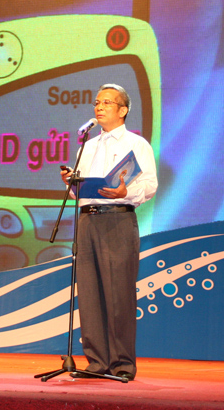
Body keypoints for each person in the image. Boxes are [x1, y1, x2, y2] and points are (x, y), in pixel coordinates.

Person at [60, 83, 158, 381]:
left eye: (107, 102)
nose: (99, 107)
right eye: (97, 102)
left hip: (117, 220)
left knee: (118, 295)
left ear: (123, 110)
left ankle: (122, 364)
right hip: (87, 222)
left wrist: (125, 192)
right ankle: (97, 362)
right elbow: (79, 193)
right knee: (89, 294)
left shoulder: (136, 144)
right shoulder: (87, 147)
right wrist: (71, 182)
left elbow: (149, 185)